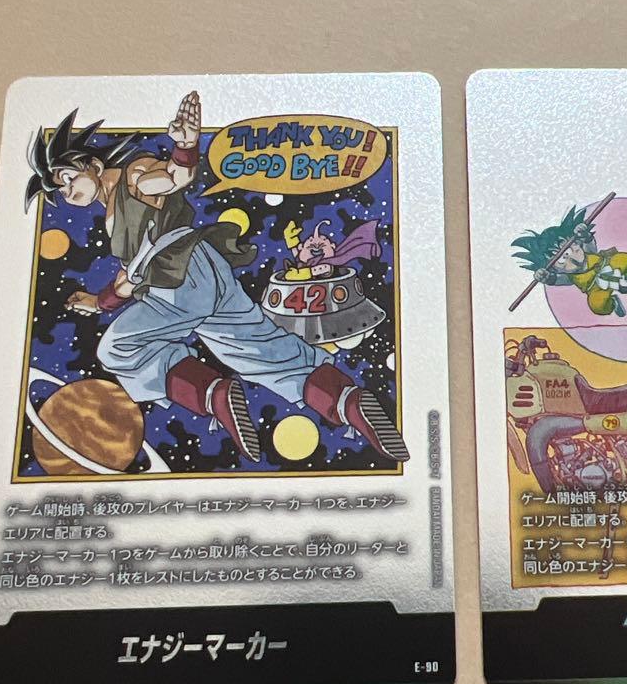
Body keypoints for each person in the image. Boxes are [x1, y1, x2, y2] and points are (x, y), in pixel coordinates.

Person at [24, 92, 408, 464]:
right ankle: (348, 402)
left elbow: (171, 178)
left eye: (67, 177)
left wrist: (185, 147)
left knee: (118, 348)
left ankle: (212, 394)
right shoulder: (114, 206)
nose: (67, 190)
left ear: (91, 163)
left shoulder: (133, 177)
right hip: (206, 271)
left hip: (180, 281)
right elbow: (130, 277)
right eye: (59, 189)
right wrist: (98, 302)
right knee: (263, 352)